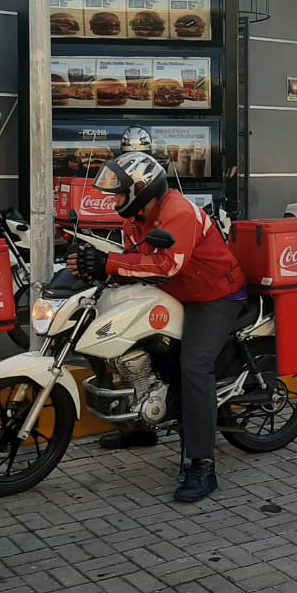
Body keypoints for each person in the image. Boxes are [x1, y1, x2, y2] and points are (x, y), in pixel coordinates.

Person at [67, 152, 247, 502]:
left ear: (141, 189)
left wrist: (110, 263)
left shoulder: (176, 212)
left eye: (119, 194)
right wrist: (97, 267)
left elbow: (167, 265)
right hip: (178, 291)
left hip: (214, 295)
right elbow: (136, 257)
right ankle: (138, 427)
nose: (114, 200)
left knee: (194, 367)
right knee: (121, 341)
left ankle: (201, 464)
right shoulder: (136, 215)